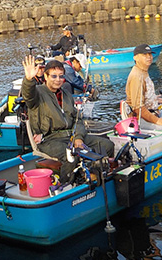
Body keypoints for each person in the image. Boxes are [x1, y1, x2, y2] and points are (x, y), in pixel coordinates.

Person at [21, 55, 114, 183]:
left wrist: (78, 138)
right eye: (54, 76)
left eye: (61, 76)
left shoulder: (66, 94)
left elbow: (78, 119)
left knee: (107, 145)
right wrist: (28, 79)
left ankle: (93, 175)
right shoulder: (38, 93)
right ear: (46, 77)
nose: (58, 80)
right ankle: (66, 185)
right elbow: (28, 95)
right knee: (71, 155)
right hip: (49, 140)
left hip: (71, 136)